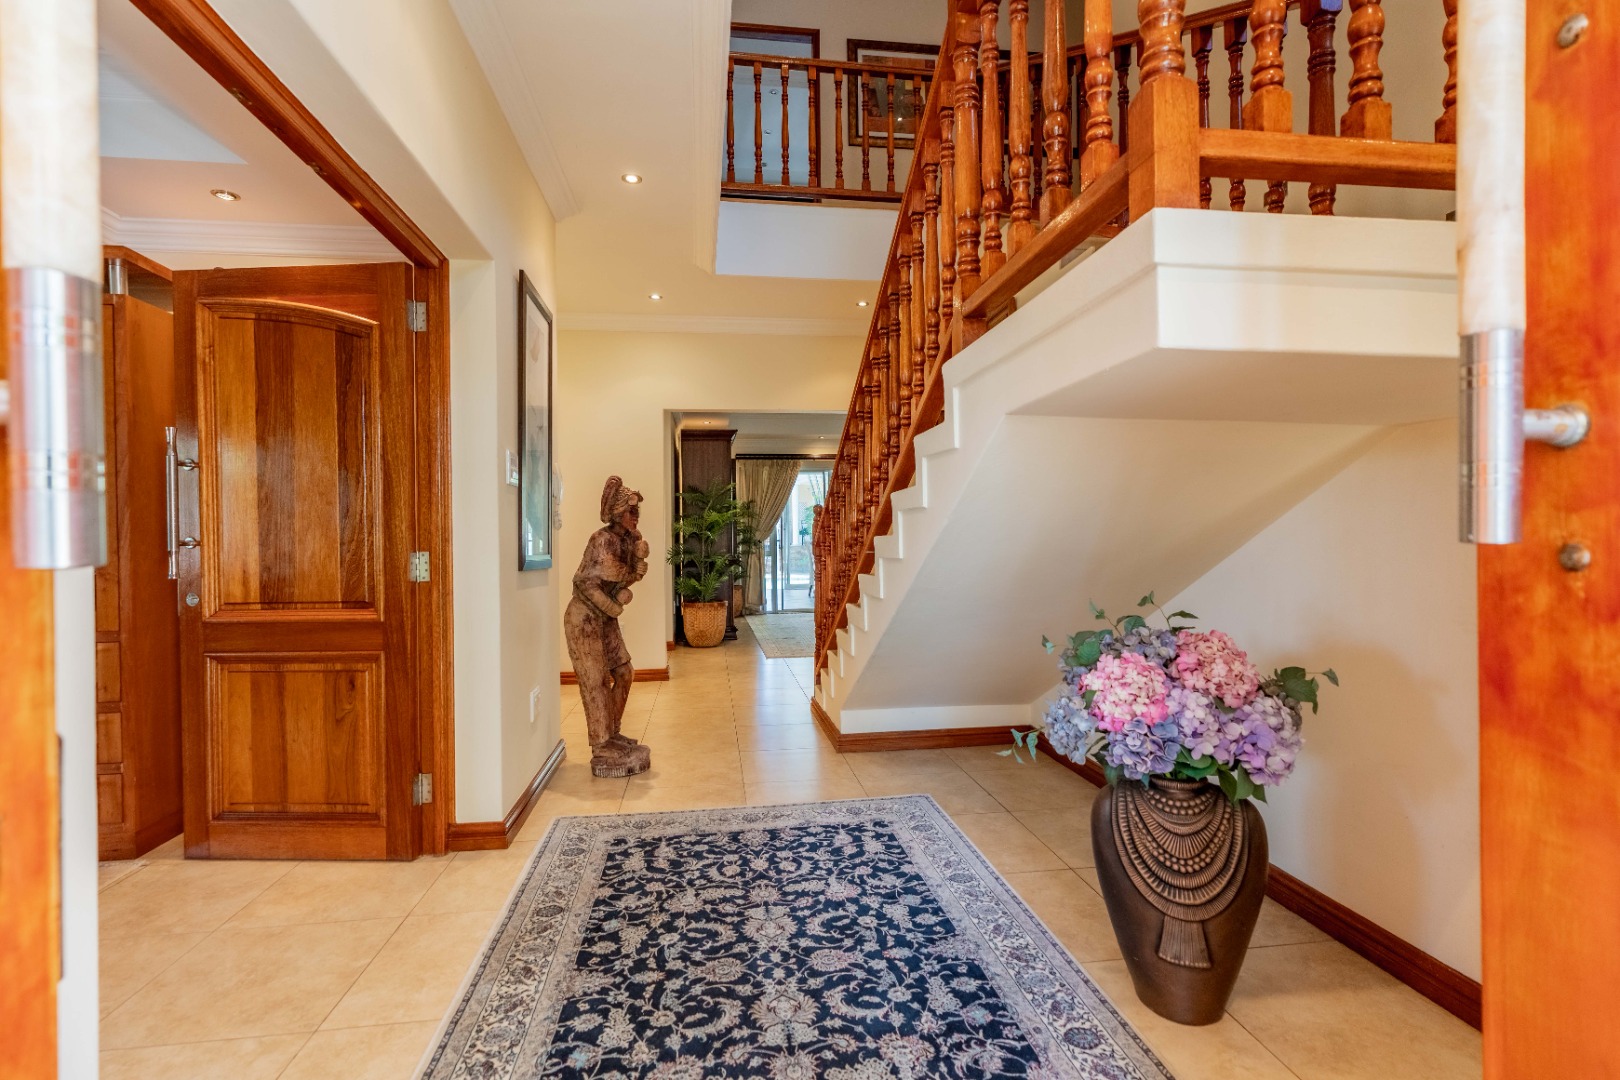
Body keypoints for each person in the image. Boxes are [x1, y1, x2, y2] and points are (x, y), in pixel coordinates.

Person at [563, 476, 653, 777]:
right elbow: (585, 583)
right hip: (584, 617)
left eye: (637, 511)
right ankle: (601, 745)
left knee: (624, 672)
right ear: (617, 512)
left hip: (604, 617)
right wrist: (613, 605)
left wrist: (637, 570)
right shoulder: (601, 540)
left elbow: (621, 580)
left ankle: (612, 732)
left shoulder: (630, 539)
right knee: (597, 682)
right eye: (631, 511)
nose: (635, 516)